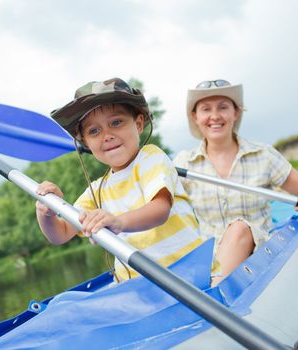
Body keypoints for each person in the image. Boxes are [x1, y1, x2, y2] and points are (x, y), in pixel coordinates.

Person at [35, 78, 208, 282]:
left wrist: (118, 222)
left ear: (138, 124)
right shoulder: (96, 191)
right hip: (137, 289)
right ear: (86, 143)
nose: (106, 135)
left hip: (189, 275)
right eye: (94, 131)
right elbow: (61, 234)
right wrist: (46, 213)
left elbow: (160, 209)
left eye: (116, 123)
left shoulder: (151, 159)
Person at [173, 79, 298, 285]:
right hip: (206, 261)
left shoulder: (263, 155)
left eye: (223, 107)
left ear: (236, 113)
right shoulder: (183, 164)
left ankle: (213, 298)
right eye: (206, 109)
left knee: (239, 228)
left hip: (260, 256)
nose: (215, 116)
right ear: (195, 117)